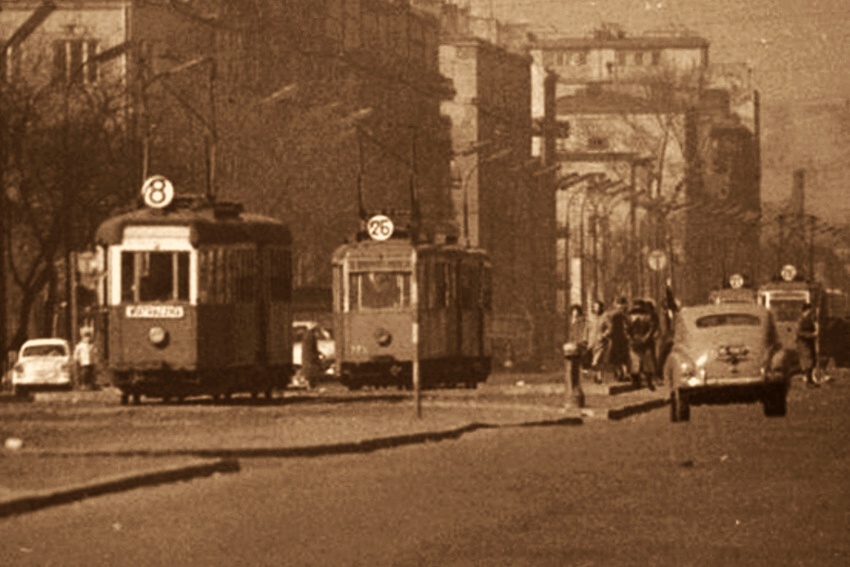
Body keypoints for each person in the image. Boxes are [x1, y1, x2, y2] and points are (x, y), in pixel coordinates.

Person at [626, 299, 658, 391]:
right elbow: (626, 329)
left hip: (646, 343)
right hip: (635, 342)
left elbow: (652, 328)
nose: (638, 310)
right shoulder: (629, 317)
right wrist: (631, 339)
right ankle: (636, 382)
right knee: (634, 364)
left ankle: (649, 382)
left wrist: (646, 338)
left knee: (647, 364)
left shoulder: (649, 316)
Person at [602, 297, 631, 382]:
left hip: (619, 339)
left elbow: (628, 325)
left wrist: (606, 334)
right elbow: (609, 326)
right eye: (619, 305)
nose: (621, 307)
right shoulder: (614, 314)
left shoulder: (616, 314)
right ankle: (621, 374)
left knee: (619, 358)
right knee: (619, 358)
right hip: (617, 339)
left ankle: (622, 374)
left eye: (622, 305)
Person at [796, 302, 819, 387]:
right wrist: (812, 335)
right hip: (803, 343)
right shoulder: (801, 320)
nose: (810, 312)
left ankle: (811, 380)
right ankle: (808, 381)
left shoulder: (810, 319)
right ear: (805, 311)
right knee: (808, 362)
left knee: (813, 361)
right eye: (809, 310)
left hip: (810, 343)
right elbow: (799, 333)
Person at [586, 301, 606, 384]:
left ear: (601, 308)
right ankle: (598, 377)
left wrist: (604, 335)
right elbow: (586, 329)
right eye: (595, 307)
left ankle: (598, 376)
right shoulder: (590, 318)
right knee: (597, 362)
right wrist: (585, 339)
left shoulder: (605, 317)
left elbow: (610, 328)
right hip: (591, 342)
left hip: (601, 343)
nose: (596, 308)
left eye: (598, 307)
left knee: (596, 361)